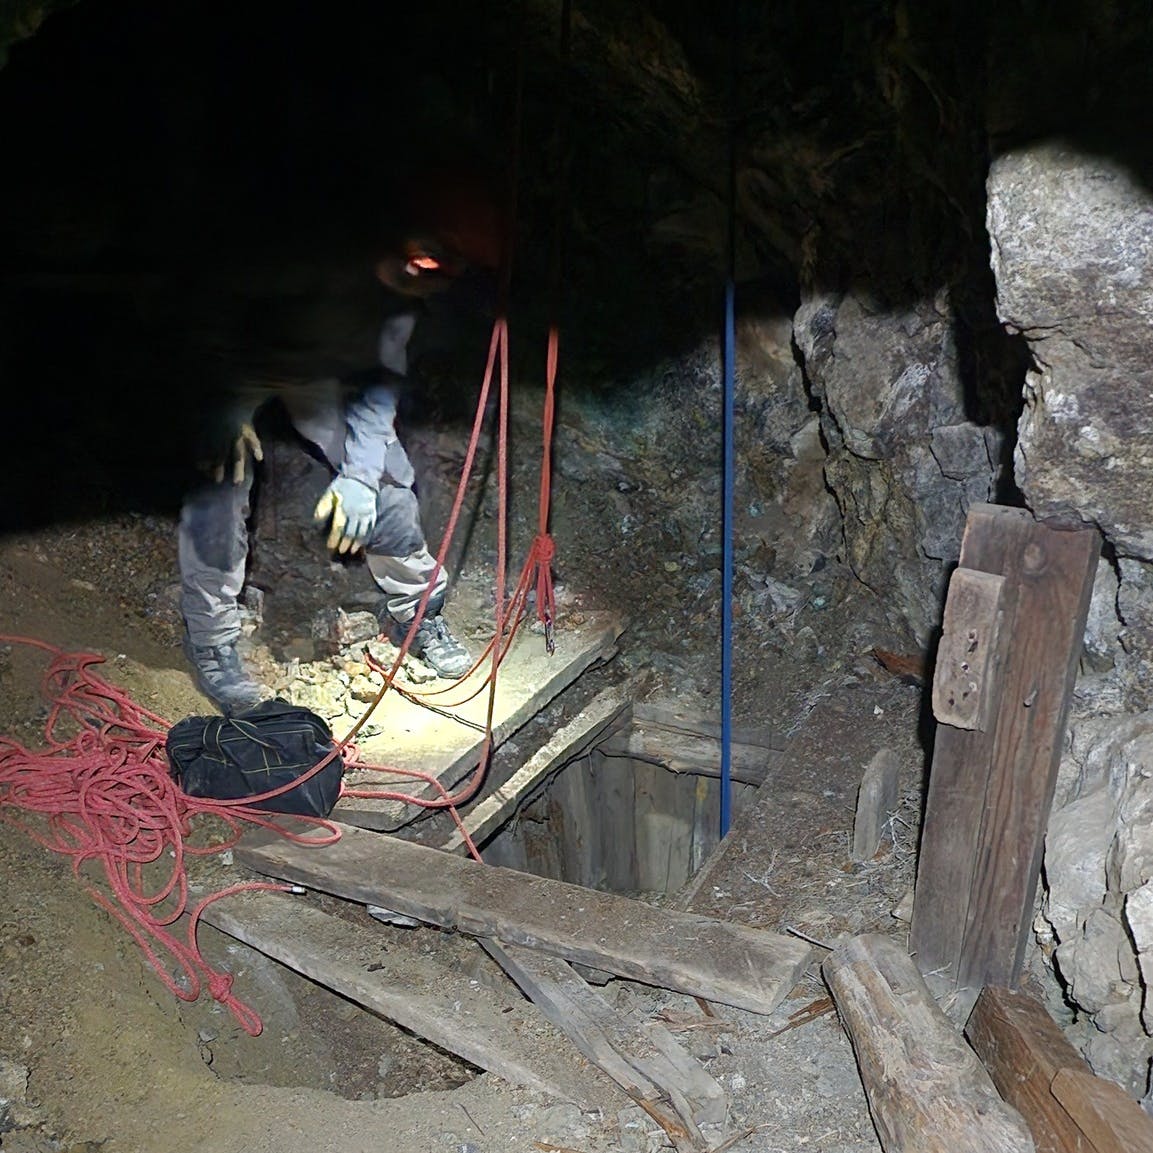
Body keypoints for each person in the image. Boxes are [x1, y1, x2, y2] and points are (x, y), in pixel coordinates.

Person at [177, 224, 494, 714]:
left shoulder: (397, 298)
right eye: (420, 266)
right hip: (228, 360)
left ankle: (414, 610)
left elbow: (377, 386)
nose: (424, 280)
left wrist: (360, 478)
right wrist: (228, 411)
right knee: (218, 480)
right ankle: (211, 638)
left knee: (381, 476)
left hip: (317, 364)